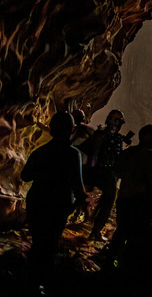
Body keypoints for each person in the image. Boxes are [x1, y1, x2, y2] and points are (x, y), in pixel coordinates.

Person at [21, 112, 87, 291]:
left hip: (37, 201)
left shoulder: (40, 152)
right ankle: (41, 284)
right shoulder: (73, 154)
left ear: (51, 129)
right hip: (58, 204)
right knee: (49, 245)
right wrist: (80, 204)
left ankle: (29, 283)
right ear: (71, 130)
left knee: (37, 241)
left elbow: (25, 175)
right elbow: (78, 187)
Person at [81, 109, 130, 241]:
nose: (119, 125)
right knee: (108, 201)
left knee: (93, 199)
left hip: (95, 172)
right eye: (118, 121)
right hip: (104, 173)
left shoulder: (102, 134)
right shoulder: (107, 136)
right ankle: (95, 231)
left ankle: (93, 229)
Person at [113, 124, 152, 246]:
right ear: (148, 137)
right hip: (143, 201)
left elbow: (117, 170)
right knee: (140, 234)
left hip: (124, 198)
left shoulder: (127, 152)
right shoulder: (151, 156)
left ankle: (111, 258)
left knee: (122, 230)